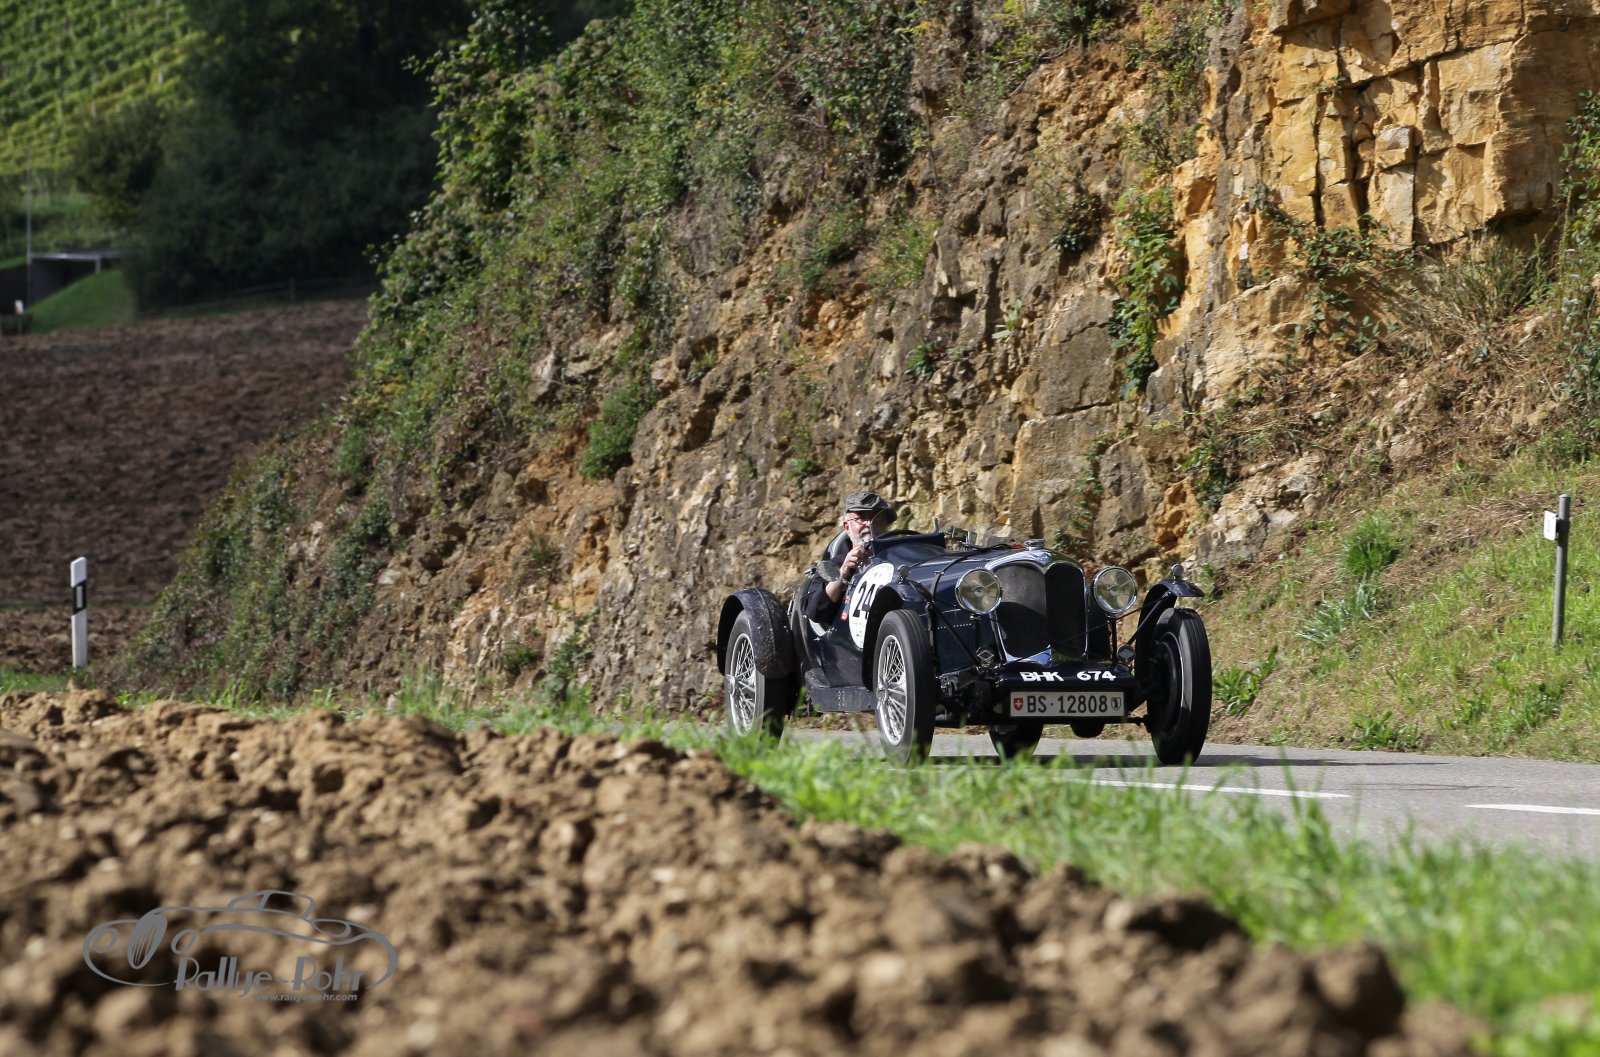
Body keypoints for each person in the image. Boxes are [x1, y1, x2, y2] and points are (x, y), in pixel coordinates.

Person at [802, 490, 897, 626]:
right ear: (847, 526)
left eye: (876, 517)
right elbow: (814, 612)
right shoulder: (833, 565)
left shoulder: (900, 557)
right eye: (861, 518)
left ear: (886, 524)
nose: (869, 523)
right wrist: (843, 573)